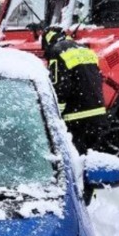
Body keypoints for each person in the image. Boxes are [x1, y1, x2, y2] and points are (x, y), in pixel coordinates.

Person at [40, 26, 107, 155]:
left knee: (75, 165)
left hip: (76, 120)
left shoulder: (56, 51)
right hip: (98, 115)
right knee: (92, 162)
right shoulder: (85, 49)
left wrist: (54, 115)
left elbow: (60, 87)